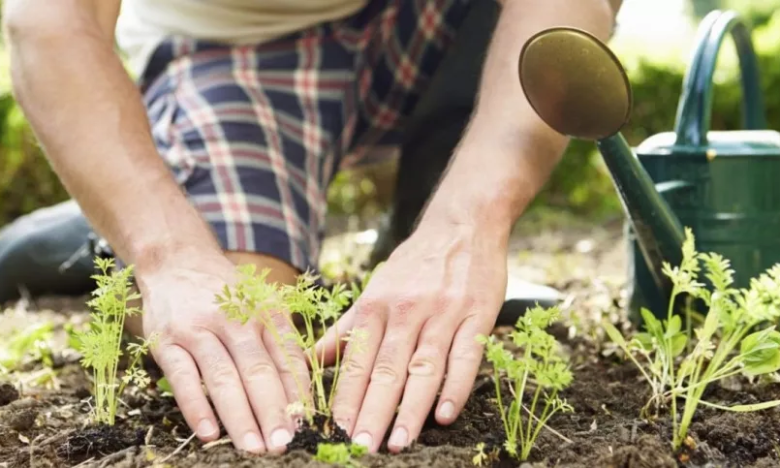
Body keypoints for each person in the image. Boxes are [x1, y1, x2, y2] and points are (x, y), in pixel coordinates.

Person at [2, 0, 622, 456]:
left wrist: (468, 225)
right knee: (244, 311)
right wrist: (166, 253)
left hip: (443, 19)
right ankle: (120, 219)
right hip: (240, 45)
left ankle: (421, 232)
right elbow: (50, 22)